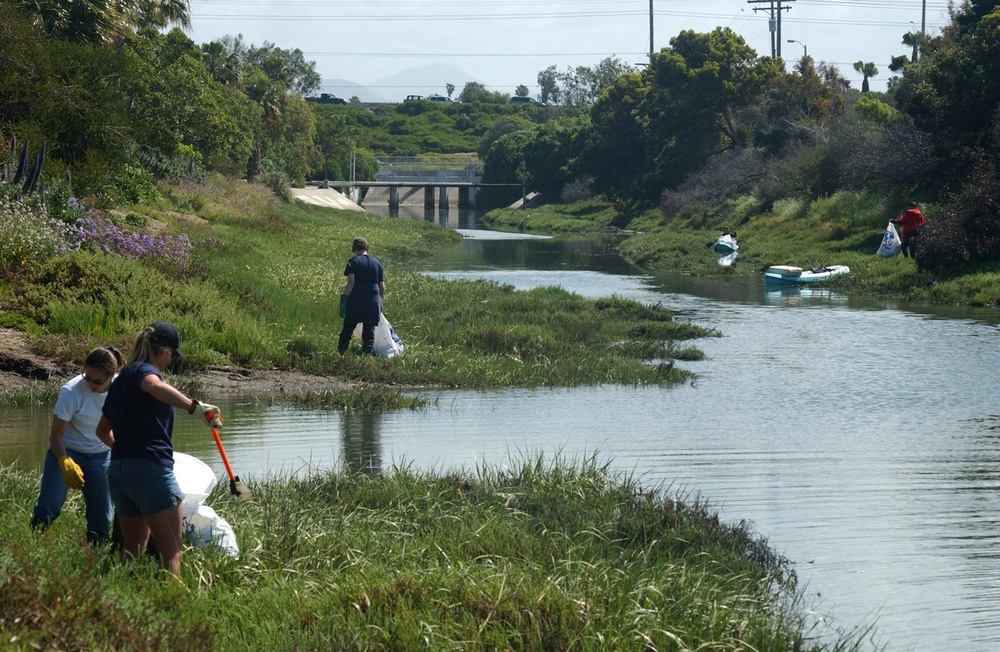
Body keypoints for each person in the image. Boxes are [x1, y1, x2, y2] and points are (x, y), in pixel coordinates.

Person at [96, 321, 220, 576]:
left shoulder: (120, 381)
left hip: (119, 473)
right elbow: (153, 386)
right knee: (171, 553)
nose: (169, 362)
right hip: (151, 471)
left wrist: (128, 453)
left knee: (131, 551)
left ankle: (119, 596)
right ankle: (172, 600)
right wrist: (194, 407)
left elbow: (101, 431)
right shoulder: (145, 371)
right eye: (171, 355)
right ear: (163, 350)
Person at [30, 346, 126, 545]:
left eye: (98, 381)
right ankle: (31, 544)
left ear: (112, 375)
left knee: (102, 516)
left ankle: (95, 551)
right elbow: (56, 437)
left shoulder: (121, 390)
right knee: (49, 505)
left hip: (101, 454)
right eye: (87, 377)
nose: (91, 385)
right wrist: (64, 461)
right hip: (66, 451)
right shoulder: (71, 391)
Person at [337, 237, 386, 355]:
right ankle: (366, 357)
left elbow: (351, 282)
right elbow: (382, 286)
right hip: (373, 300)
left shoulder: (353, 262)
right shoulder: (377, 263)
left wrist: (344, 299)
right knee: (369, 332)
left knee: (348, 329)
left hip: (356, 300)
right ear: (366, 247)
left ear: (354, 248)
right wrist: (379, 301)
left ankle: (341, 354)